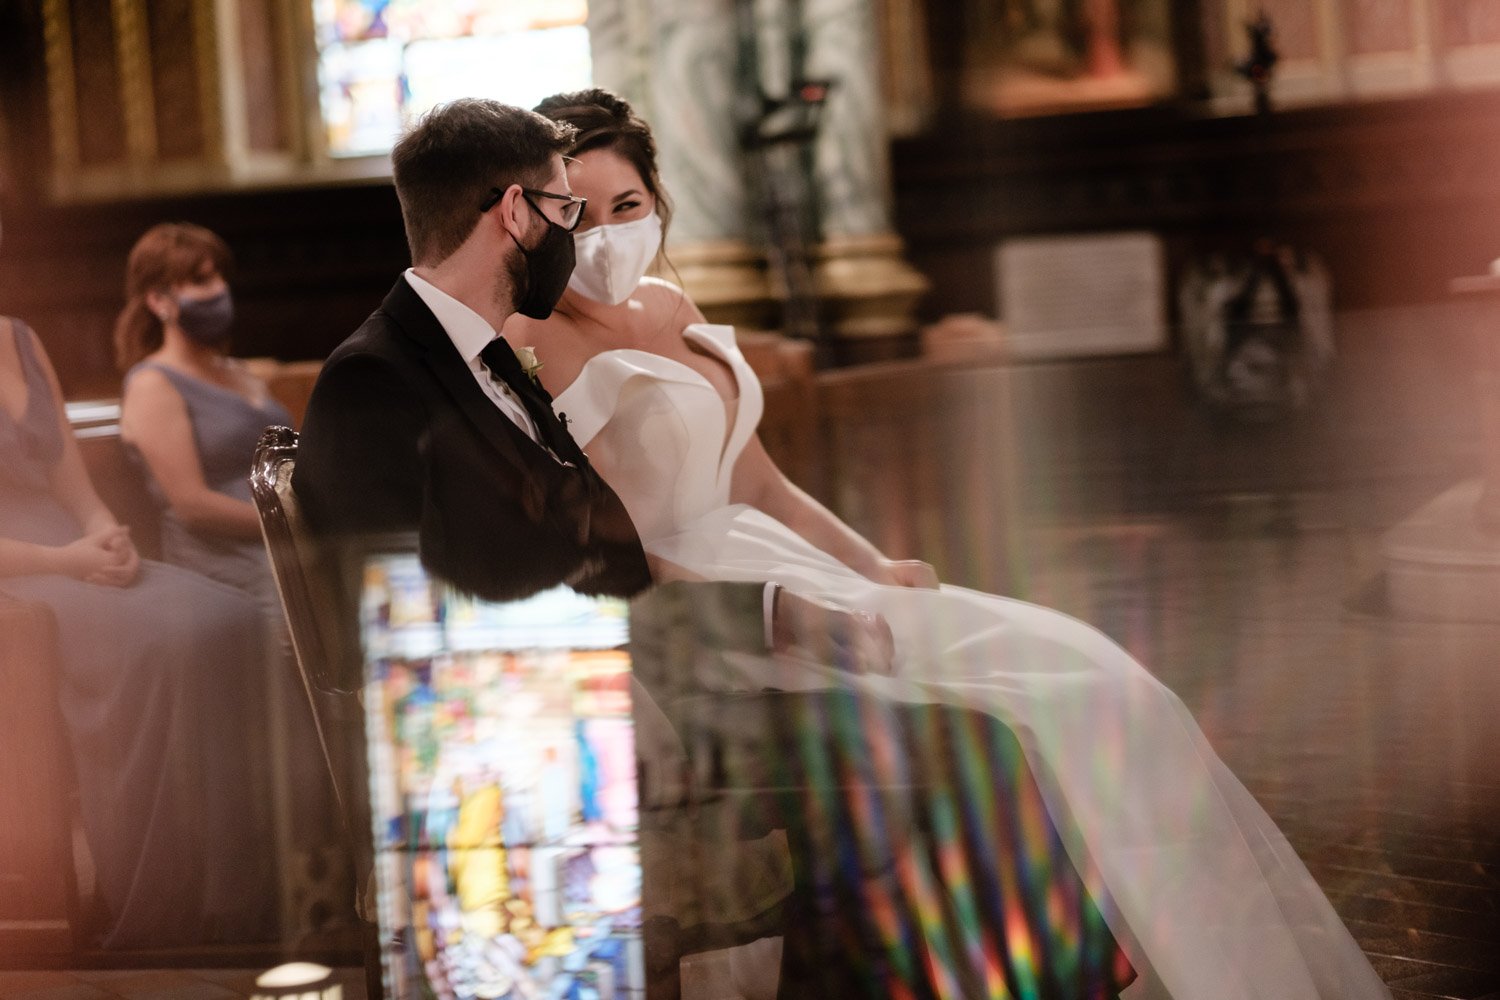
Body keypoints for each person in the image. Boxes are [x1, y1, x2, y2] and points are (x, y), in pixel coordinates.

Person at [501, 87, 1392, 1000]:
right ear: (540, 217)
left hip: (779, 557)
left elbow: (759, 480)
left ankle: (1204, 972)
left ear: (659, 203)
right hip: (696, 616)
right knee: (1014, 717)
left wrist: (872, 565)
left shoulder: (670, 305)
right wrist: (779, 612)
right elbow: (608, 545)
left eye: (628, 207)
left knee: (1108, 684)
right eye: (580, 213)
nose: (607, 234)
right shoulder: (538, 341)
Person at [291, 99, 1133, 999]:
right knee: (925, 756)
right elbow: (398, 628)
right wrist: (646, 686)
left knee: (963, 738)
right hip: (540, 735)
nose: (575, 237)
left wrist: (770, 606)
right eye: (566, 211)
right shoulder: (375, 379)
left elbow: (597, 554)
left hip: (618, 682)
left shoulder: (485, 359)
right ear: (515, 213)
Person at [0, 311, 275, 948]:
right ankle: (157, 905)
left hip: (78, 552)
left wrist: (103, 530)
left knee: (231, 618)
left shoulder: (22, 335)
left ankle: (239, 893)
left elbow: (74, 481)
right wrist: (65, 561)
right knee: (165, 642)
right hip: (20, 578)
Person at [114, 222, 341, 935]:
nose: (216, 293)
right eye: (197, 281)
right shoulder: (151, 383)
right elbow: (190, 502)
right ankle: (298, 888)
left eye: (218, 277)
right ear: (158, 298)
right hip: (219, 567)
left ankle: (346, 861)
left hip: (287, 549)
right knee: (295, 631)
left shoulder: (244, 374)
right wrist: (298, 525)